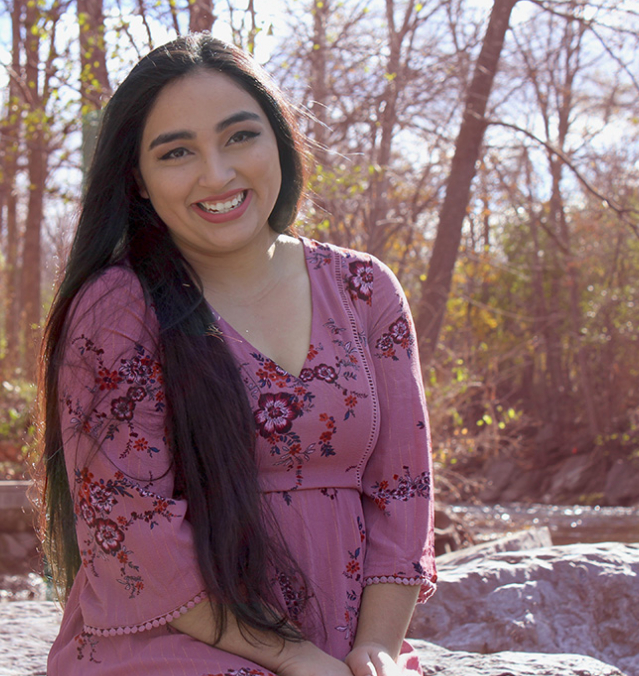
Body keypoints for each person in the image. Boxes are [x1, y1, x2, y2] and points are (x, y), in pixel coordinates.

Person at [39, 34, 436, 676]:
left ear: (279, 140)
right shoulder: (117, 308)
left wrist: (377, 650)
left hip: (338, 645)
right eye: (177, 152)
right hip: (172, 643)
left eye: (239, 137)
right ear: (137, 180)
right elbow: (129, 524)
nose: (217, 175)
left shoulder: (365, 291)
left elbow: (404, 488)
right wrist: (293, 658)